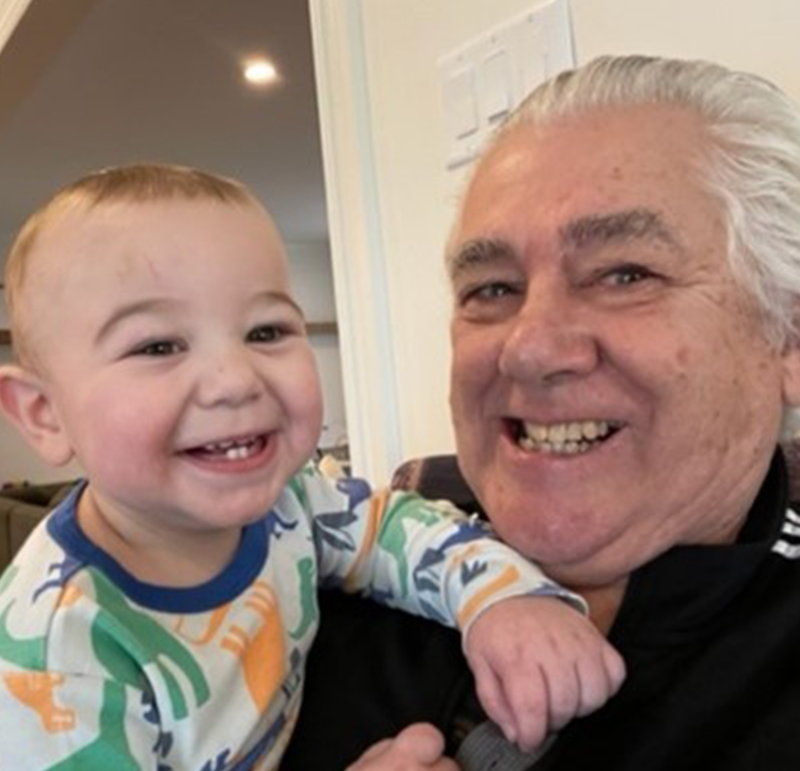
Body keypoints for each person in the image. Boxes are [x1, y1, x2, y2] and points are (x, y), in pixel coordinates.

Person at [0, 164, 624, 771]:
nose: (235, 380)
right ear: (43, 414)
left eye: (266, 331)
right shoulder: (55, 662)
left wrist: (502, 600)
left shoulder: (292, 502)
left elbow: (395, 531)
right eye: (157, 345)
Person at [283, 54, 800, 771]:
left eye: (624, 274)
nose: (527, 349)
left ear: (787, 337)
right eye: (492, 289)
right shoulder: (295, 594)